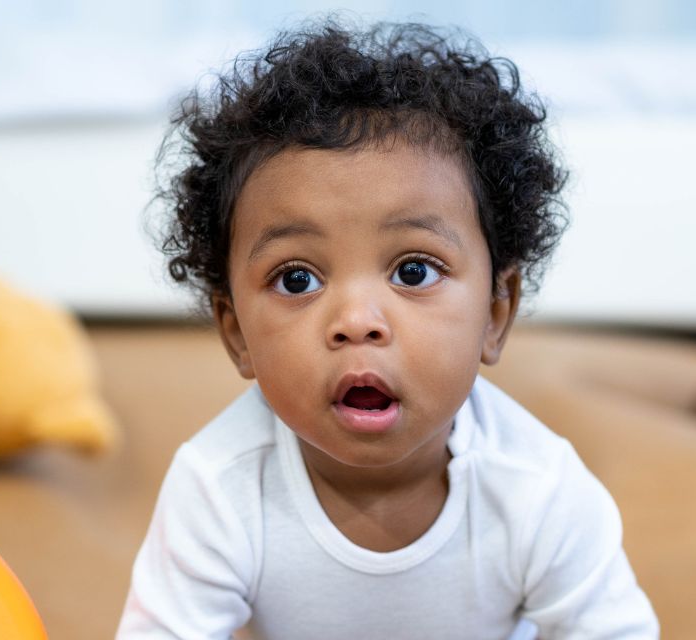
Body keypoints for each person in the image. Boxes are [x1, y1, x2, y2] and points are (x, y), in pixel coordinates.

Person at [118, 19, 658, 639]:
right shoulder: (218, 488)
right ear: (236, 332)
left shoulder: (538, 488)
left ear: (494, 311)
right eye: (298, 280)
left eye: (413, 270)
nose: (356, 322)